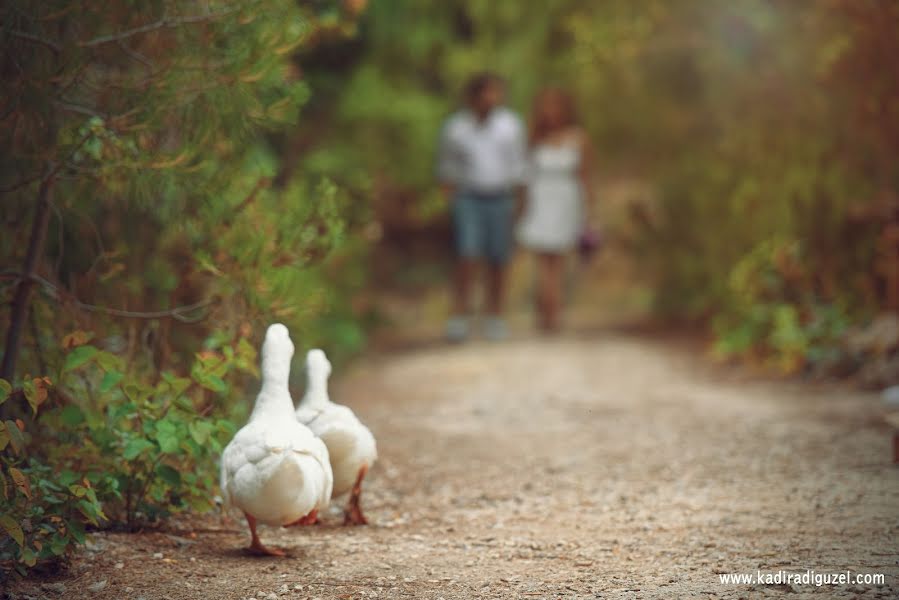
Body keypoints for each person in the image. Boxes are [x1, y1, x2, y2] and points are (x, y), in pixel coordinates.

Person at [437, 72, 527, 341]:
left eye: (496, 93)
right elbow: (447, 168)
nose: (491, 98)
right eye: (486, 93)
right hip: (468, 197)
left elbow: (519, 165)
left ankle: (494, 315)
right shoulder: (456, 128)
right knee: (467, 255)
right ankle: (459, 316)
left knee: (499, 259)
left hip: (500, 197)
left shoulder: (510, 125)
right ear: (473, 97)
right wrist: (450, 202)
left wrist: (520, 202)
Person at [516, 87, 596, 333]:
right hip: (540, 199)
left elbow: (585, 176)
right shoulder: (533, 138)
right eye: (546, 107)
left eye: (556, 106)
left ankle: (553, 313)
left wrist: (590, 211)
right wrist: (521, 206)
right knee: (542, 260)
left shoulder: (579, 138)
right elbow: (524, 175)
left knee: (558, 260)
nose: (551, 112)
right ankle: (546, 312)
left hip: (566, 200)